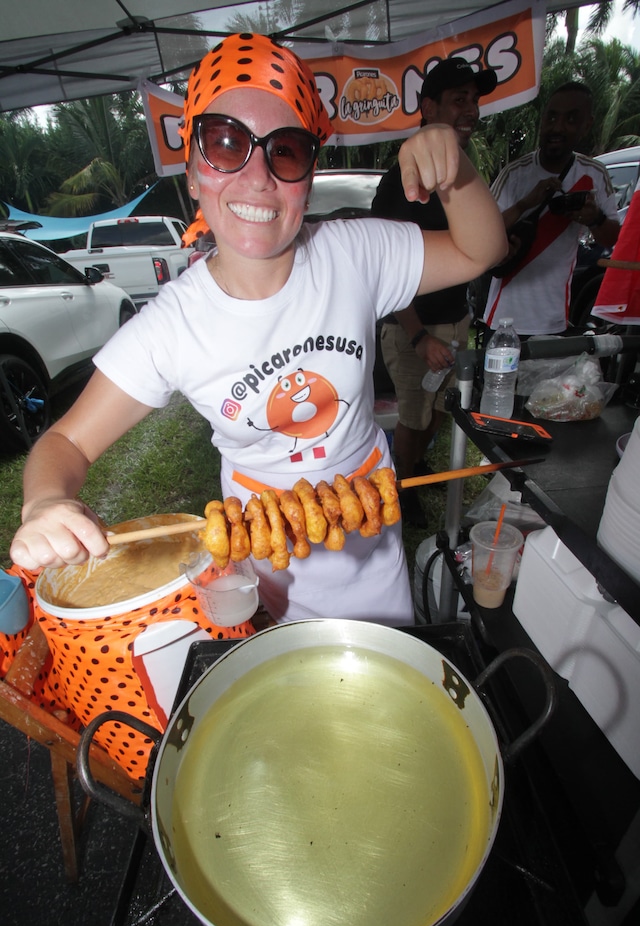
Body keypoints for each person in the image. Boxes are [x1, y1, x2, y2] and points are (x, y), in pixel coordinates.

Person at [9, 33, 506, 627]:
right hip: (264, 567)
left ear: (307, 179)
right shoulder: (174, 325)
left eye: (287, 151)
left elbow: (483, 250)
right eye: (226, 144)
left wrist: (456, 172)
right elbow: (65, 444)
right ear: (192, 173)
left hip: (371, 544)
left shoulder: (354, 254)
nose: (258, 176)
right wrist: (44, 501)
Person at [372, 58, 497, 526]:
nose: (471, 109)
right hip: (414, 330)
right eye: (459, 100)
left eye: (475, 100)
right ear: (429, 107)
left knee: (444, 406)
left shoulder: (459, 180)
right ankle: (401, 489)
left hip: (455, 321)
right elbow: (384, 271)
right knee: (413, 416)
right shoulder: (396, 185)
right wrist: (420, 337)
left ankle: (415, 467)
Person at [483, 81, 620, 336]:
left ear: (586, 124)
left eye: (570, 119)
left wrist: (596, 219)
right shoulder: (515, 173)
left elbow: (614, 239)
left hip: (554, 321)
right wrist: (526, 203)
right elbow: (481, 237)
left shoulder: (594, 174)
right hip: (503, 319)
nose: (557, 127)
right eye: (552, 117)